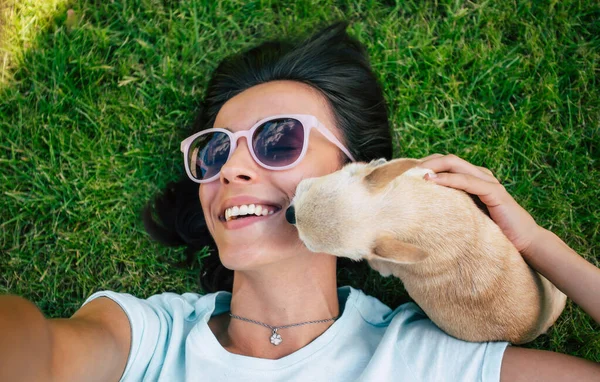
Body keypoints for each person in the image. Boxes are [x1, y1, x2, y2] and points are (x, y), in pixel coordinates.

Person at [1, 22, 599, 382]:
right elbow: (39, 357)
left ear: (357, 172)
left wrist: (537, 245)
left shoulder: (419, 359)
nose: (230, 168)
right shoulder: (150, 339)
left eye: (278, 139)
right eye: (213, 151)